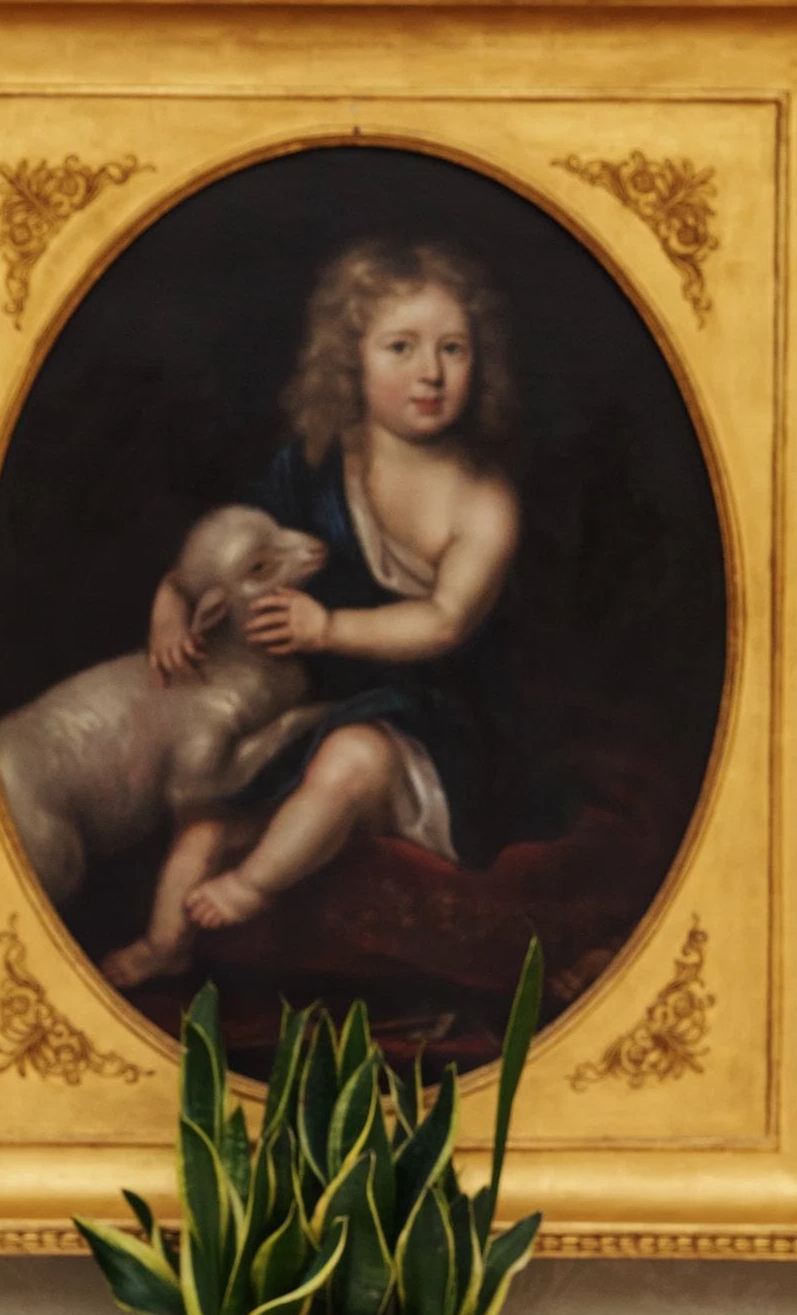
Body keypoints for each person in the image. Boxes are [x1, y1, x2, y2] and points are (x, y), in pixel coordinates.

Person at [142, 235, 519, 951]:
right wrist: (172, 598)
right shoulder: (318, 465)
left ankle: (250, 888)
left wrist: (325, 629)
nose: (431, 373)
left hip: (444, 730)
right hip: (318, 707)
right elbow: (230, 549)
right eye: (401, 348)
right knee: (204, 826)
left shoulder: (483, 500)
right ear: (351, 360)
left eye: (453, 349)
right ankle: (161, 951)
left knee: (348, 761)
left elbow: (443, 624)